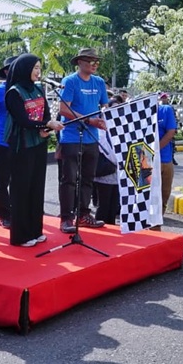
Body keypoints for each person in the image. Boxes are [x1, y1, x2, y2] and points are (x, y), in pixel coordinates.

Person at [3, 54, 63, 247]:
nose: (38, 72)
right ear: (24, 69)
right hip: (22, 146)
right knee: (22, 190)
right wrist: (46, 124)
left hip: (39, 143)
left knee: (37, 188)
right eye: (35, 68)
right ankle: (21, 236)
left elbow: (45, 113)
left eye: (39, 68)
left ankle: (35, 230)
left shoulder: (38, 89)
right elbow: (22, 120)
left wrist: (46, 128)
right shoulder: (14, 92)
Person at [58, 48, 109, 233]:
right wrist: (89, 120)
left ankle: (84, 214)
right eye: (90, 61)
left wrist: (105, 118)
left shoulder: (99, 82)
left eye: (96, 61)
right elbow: (64, 109)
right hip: (72, 137)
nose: (94, 64)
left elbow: (105, 106)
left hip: (92, 137)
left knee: (88, 178)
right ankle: (66, 218)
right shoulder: (70, 81)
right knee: (69, 179)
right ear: (79, 62)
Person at [0, 56, 17, 229]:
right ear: (7, 72)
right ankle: (4, 215)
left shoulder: (28, 90)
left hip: (23, 143)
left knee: (20, 180)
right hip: (3, 142)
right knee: (2, 181)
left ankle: (20, 211)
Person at [157, 92, 177, 215]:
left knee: (165, 191)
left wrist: (155, 150)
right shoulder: (139, 113)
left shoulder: (166, 110)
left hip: (165, 158)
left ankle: (160, 216)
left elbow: (171, 132)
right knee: (147, 192)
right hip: (146, 160)